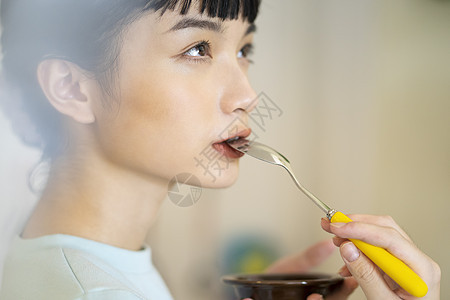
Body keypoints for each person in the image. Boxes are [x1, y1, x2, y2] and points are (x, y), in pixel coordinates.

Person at [0, 0, 440, 299]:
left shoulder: (61, 253)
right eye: (197, 48)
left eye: (245, 47)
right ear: (72, 88)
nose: (247, 94)